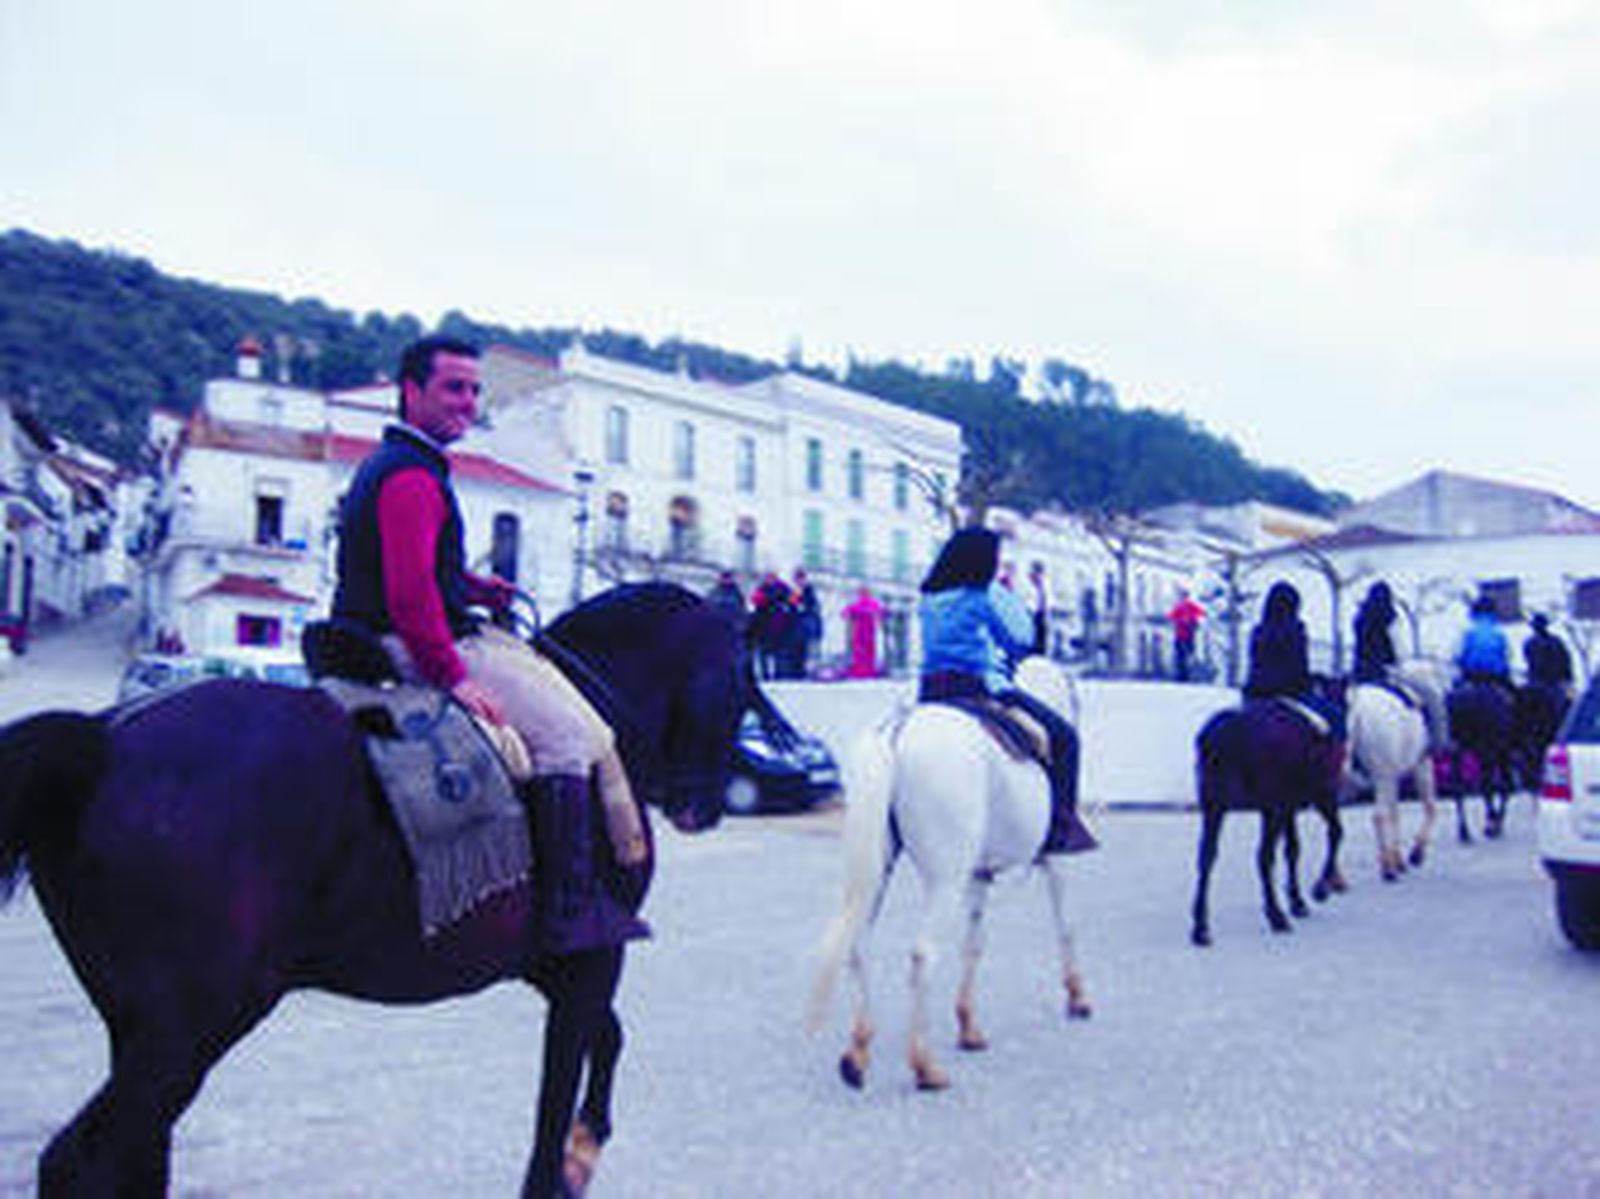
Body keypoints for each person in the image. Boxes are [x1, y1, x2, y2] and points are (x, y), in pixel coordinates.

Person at [331, 335, 646, 954]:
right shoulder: (412, 476)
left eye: (475, 390)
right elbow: (412, 596)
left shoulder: (399, 465)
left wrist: (472, 585)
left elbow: (416, 568)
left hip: (376, 631)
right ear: (411, 391)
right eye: (453, 387)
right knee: (565, 735)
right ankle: (566, 915)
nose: (467, 402)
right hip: (406, 643)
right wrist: (454, 677)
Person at [918, 527, 1095, 853]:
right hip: (977, 688)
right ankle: (1060, 825)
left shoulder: (928, 597)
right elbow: (1021, 639)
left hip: (929, 692)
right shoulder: (982, 596)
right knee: (1064, 737)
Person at [1242, 581, 1340, 736]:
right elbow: (1298, 668)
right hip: (1288, 694)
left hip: (1254, 694)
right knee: (1334, 718)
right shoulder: (1296, 629)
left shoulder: (1258, 630)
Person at [1456, 595, 1512, 689]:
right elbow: (1507, 654)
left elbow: (1458, 654)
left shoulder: (1468, 631)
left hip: (1472, 675)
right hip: (1496, 676)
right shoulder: (1499, 631)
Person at [747, 572, 795, 680]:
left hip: (780, 626)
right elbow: (755, 601)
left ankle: (780, 674)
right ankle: (765, 674)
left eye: (772, 578)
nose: (770, 580)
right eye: (768, 578)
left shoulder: (784, 589)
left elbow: (794, 601)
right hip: (764, 626)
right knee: (764, 653)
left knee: (779, 653)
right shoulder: (761, 589)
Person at [1524, 613, 1574, 695]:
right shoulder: (1530, 643)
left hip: (1553, 682)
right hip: (1541, 683)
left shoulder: (1555, 641)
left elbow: (1565, 660)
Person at [841, 584, 884, 678]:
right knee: (865, 650)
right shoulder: (869, 604)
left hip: (863, 630)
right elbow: (881, 612)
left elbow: (845, 613)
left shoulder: (860, 604)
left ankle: (863, 669)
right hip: (865, 630)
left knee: (863, 650)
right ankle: (865, 669)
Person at [1168, 588, 1206, 682]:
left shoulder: (1181, 606)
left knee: (1182, 655)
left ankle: (1184, 675)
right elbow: (1203, 613)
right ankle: (1187, 674)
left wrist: (1182, 620)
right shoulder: (1189, 606)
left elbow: (1171, 616)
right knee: (1188, 654)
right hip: (1187, 634)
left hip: (1183, 635)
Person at [791, 567, 823, 678]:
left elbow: (812, 606)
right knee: (798, 649)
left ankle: (808, 670)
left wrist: (802, 607)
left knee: (808, 649)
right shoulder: (796, 590)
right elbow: (792, 603)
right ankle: (799, 670)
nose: (798, 581)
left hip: (806, 624)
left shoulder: (808, 590)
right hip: (798, 625)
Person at [1026, 561, 1051, 655]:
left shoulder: (1044, 583)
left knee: (1041, 636)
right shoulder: (1029, 582)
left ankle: (1040, 654)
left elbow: (1047, 598)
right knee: (1033, 637)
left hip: (1041, 614)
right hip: (1031, 613)